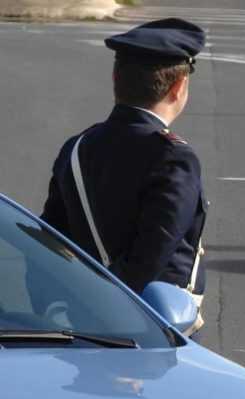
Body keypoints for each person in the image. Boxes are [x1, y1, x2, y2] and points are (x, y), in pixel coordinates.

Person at [41, 18, 207, 334]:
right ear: (178, 87)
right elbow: (151, 255)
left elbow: (49, 238)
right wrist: (113, 315)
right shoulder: (174, 157)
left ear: (116, 77)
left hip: (82, 315)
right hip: (149, 326)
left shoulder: (78, 146)